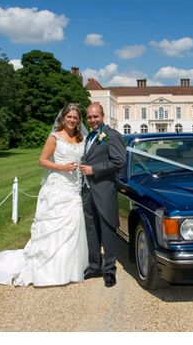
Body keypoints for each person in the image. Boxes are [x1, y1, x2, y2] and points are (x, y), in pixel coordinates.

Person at [0, 103, 88, 287]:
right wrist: (62, 168)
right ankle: (49, 271)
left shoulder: (81, 138)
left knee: (73, 224)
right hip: (57, 186)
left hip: (74, 187)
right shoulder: (55, 137)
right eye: (69, 117)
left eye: (75, 118)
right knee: (54, 226)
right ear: (63, 118)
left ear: (79, 121)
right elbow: (42, 160)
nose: (72, 120)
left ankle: (71, 268)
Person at [80, 102, 126, 288]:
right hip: (87, 191)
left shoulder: (111, 136)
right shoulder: (88, 137)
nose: (92, 120)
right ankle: (94, 266)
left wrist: (94, 169)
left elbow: (119, 162)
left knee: (107, 230)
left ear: (103, 116)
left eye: (95, 116)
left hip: (104, 190)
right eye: (89, 117)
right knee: (91, 229)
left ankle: (109, 270)